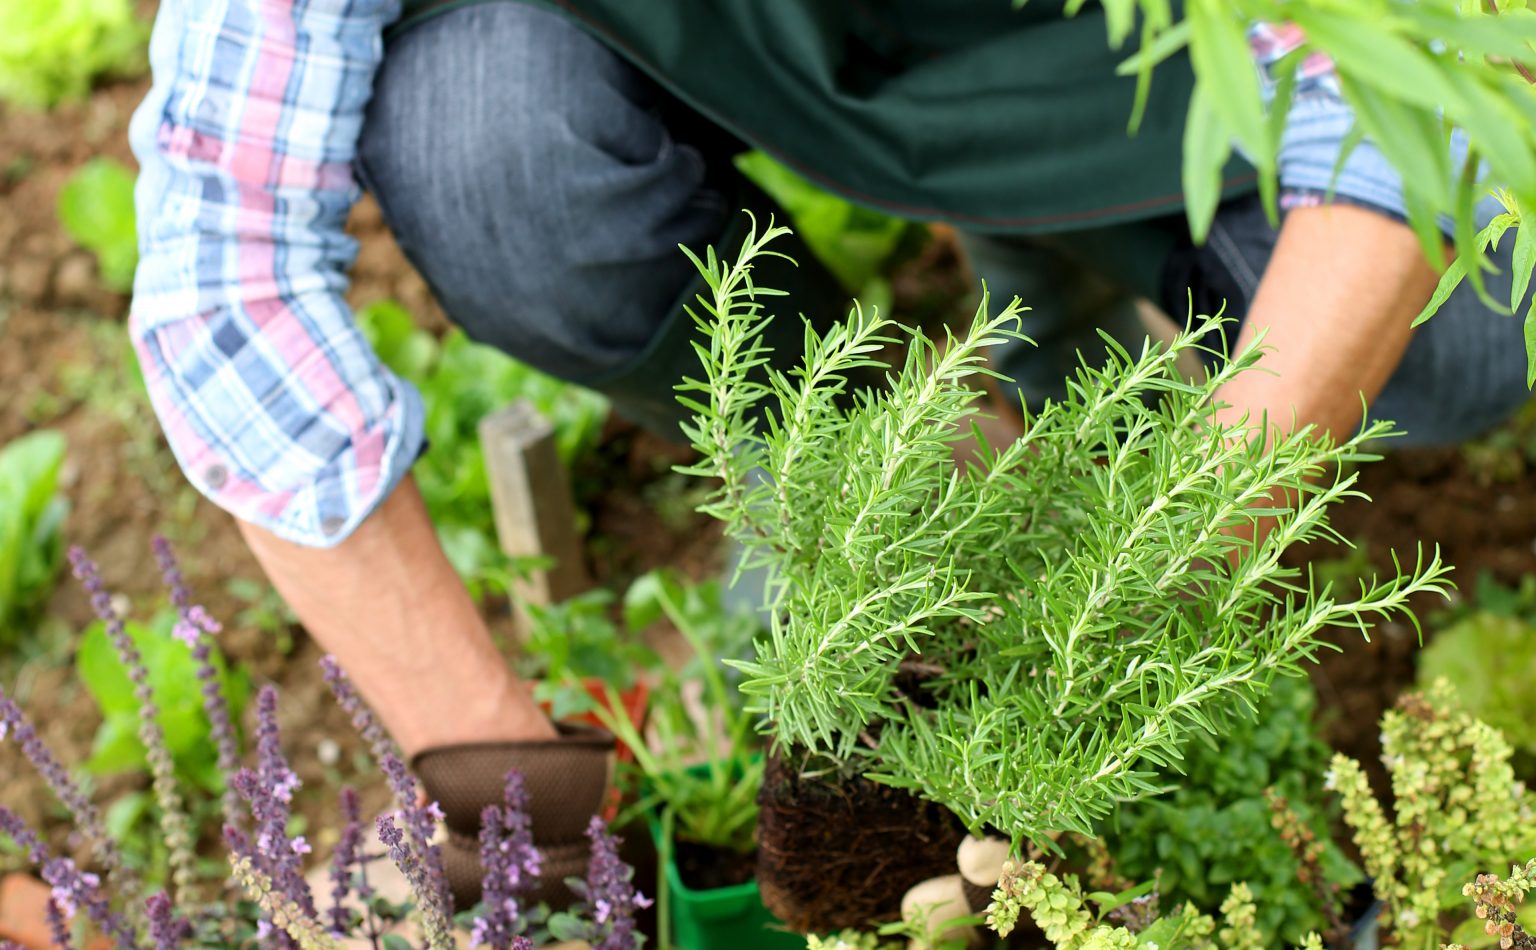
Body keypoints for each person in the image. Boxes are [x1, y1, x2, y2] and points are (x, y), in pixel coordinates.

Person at [126, 0, 1527, 908]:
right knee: (481, 141)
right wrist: (516, 814)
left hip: (1145, 69)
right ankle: (878, 482)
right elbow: (222, 279)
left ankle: (1062, 277)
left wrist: (1149, 583)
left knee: (1466, 330)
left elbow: (1442, 82)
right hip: (750, 54)